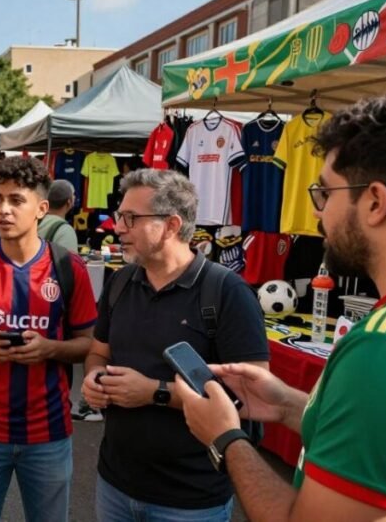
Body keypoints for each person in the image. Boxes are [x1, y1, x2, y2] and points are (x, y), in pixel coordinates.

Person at [177, 94, 386, 522]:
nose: (316, 210)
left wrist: (225, 437)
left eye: (325, 191)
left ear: (375, 202)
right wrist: (291, 406)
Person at [81, 169, 268, 521]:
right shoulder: (120, 282)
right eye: (120, 216)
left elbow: (253, 396)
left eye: (130, 218)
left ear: (171, 225)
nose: (117, 227)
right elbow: (97, 351)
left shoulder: (227, 293)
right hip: (115, 485)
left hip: (190, 499)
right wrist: (95, 378)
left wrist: (155, 392)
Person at [0, 156, 97, 522]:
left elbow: (88, 344)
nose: (3, 210)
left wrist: (50, 349)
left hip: (49, 433)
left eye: (16, 200)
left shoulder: (69, 268)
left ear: (41, 208)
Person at [37, 179, 78, 253]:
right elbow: (69, 263)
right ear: (69, 202)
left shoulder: (35, 220)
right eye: (73, 195)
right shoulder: (64, 230)